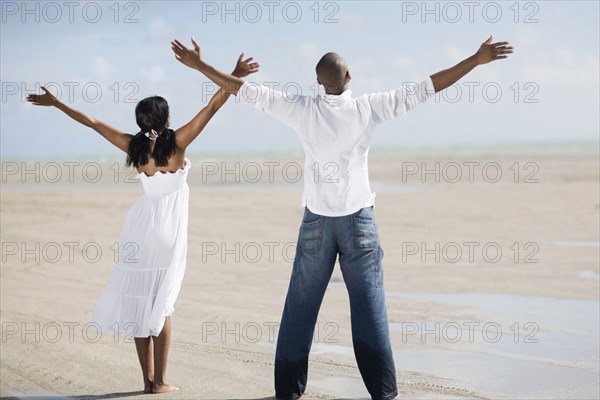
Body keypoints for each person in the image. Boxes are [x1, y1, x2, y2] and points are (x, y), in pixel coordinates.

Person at [171, 35, 513, 400]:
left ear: (319, 82)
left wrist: (199, 66)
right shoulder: (369, 109)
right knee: (369, 310)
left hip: (317, 223)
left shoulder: (300, 109)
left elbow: (242, 90)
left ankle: (287, 391)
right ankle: (384, 393)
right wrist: (475, 59)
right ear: (349, 76)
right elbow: (429, 86)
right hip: (358, 224)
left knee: (299, 308)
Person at [26, 54, 259, 394]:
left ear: (140, 121)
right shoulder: (178, 144)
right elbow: (212, 107)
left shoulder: (134, 147)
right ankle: (161, 382)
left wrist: (57, 102)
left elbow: (91, 121)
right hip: (168, 232)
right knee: (161, 304)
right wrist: (234, 75)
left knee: (140, 301)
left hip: (140, 227)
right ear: (166, 119)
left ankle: (147, 381)